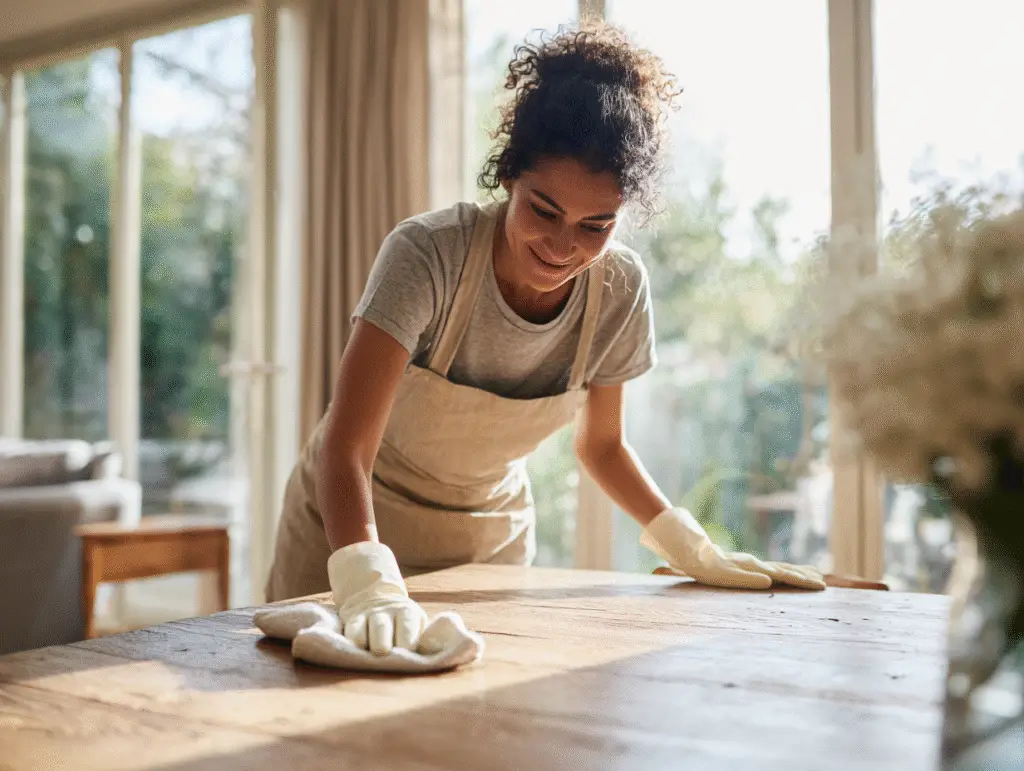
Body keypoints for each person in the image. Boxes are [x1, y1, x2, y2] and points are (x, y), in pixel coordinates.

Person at [265, 21, 826, 656]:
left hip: (488, 545)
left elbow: (604, 445)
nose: (563, 246)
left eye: (597, 224)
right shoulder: (427, 255)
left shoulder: (618, 290)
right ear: (508, 176)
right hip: (350, 530)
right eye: (543, 210)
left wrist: (688, 545)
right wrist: (365, 581)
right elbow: (347, 448)